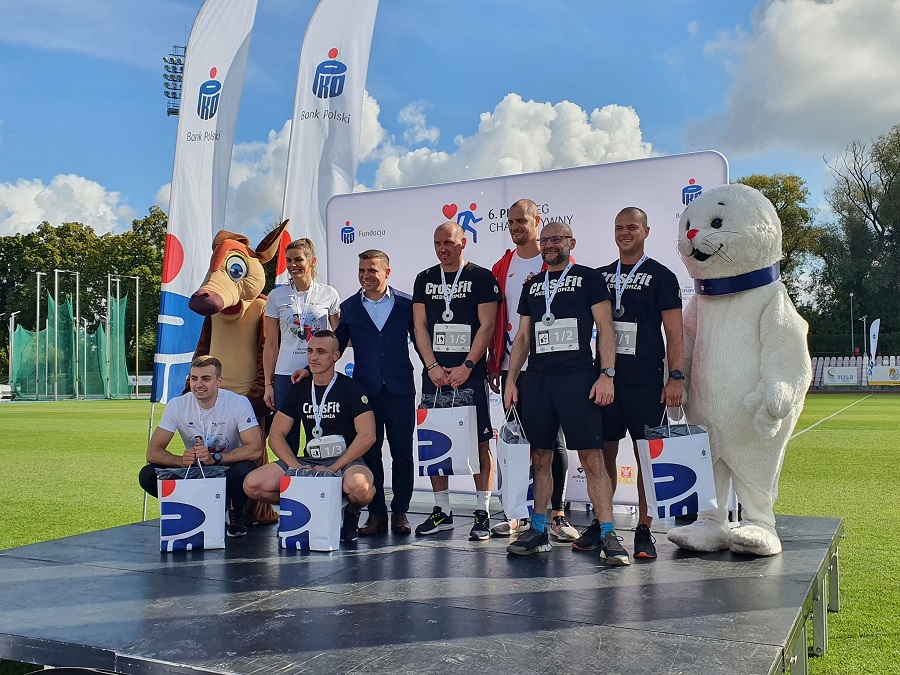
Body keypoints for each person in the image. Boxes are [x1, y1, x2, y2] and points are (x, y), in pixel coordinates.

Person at [504, 221, 630, 565]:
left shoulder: (589, 278)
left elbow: (605, 329)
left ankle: (608, 533)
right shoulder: (532, 286)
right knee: (541, 457)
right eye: (545, 240)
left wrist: (607, 374)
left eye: (556, 239)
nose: (549, 244)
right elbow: (523, 339)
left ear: (571, 242)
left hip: (578, 379)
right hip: (539, 382)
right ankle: (539, 530)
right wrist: (512, 380)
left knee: (592, 458)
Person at [596, 207, 684, 559]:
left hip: (647, 381)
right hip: (605, 380)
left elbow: (675, 334)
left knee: (646, 457)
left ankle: (644, 528)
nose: (625, 233)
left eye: (632, 227)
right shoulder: (599, 276)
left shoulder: (662, 276)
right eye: (619, 228)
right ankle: (603, 525)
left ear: (646, 231)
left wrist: (675, 376)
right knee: (603, 455)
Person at [488, 199, 578, 541]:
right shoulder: (502, 266)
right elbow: (497, 320)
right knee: (515, 441)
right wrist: (497, 365)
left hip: (550, 367)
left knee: (552, 441)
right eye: (511, 222)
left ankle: (557, 514)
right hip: (514, 368)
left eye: (522, 220)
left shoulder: (558, 263)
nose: (515, 227)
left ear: (537, 221)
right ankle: (517, 514)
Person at [412, 221, 501, 540]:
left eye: (448, 243)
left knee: (479, 441)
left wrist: (467, 364)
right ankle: (442, 511)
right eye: (437, 243)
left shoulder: (480, 276)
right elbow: (419, 326)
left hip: (470, 373)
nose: (442, 249)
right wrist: (432, 364)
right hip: (434, 376)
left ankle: (482, 511)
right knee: (435, 440)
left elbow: (486, 326)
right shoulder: (424, 278)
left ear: (463, 243)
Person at [244, 331, 376, 542]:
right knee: (253, 484)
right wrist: (296, 467)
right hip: (309, 462)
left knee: (360, 488)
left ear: (336, 356)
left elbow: (368, 435)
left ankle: (351, 514)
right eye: (311, 351)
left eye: (321, 352)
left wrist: (333, 469)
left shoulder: (351, 387)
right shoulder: (299, 389)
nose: (313, 357)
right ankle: (301, 507)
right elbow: (276, 435)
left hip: (345, 462)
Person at [333, 249, 418, 535]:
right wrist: (309, 370)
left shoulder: (407, 304)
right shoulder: (350, 307)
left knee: (403, 453)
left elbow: (422, 343)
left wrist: (438, 369)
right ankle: (377, 514)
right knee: (370, 454)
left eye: (372, 270)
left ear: (387, 272)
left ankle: (401, 512)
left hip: (400, 389)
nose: (366, 276)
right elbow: (335, 347)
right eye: (362, 271)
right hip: (365, 393)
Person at [139, 356, 263, 537]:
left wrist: (217, 458)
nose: (198, 384)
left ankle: (235, 512)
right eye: (194, 378)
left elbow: (256, 449)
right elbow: (153, 452)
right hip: (195, 469)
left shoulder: (238, 403)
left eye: (206, 379)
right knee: (148, 474)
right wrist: (181, 461)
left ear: (219, 381)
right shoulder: (177, 405)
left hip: (225, 469)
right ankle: (193, 507)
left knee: (246, 470)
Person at [263, 238, 340, 451]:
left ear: (312, 261)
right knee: (287, 439)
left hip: (317, 372)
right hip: (285, 374)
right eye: (289, 260)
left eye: (298, 259)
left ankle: (322, 481)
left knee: (321, 435)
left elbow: (339, 336)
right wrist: (268, 384)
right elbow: (270, 344)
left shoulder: (329, 293)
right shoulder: (276, 296)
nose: (293, 265)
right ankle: (290, 480)